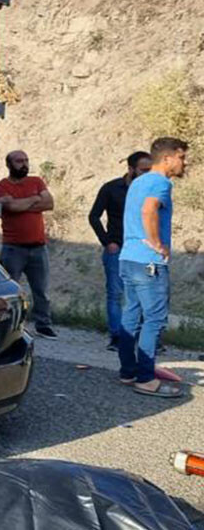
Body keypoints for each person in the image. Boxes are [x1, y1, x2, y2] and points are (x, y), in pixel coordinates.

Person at [117, 137, 189, 399]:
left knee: (131, 316)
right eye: (181, 157)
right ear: (167, 158)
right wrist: (158, 244)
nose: (184, 162)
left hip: (129, 259)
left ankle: (128, 372)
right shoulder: (160, 182)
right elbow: (149, 211)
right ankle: (146, 378)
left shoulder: (138, 181)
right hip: (149, 261)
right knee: (154, 320)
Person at [88, 151, 152, 350]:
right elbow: (94, 216)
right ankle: (116, 336)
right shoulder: (111, 188)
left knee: (143, 293)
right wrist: (107, 242)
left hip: (141, 249)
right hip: (117, 248)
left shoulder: (151, 190)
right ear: (131, 169)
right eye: (143, 170)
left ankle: (143, 336)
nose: (147, 173)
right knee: (115, 293)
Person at [0, 150, 57, 339]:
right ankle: (8, 324)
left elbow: (49, 203)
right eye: (19, 161)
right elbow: (12, 207)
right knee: (10, 289)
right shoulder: (1, 187)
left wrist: (24, 203)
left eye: (26, 160)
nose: (24, 164)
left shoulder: (36, 181)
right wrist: (35, 199)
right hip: (14, 247)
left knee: (41, 290)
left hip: (38, 246)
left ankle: (44, 324)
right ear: (9, 164)